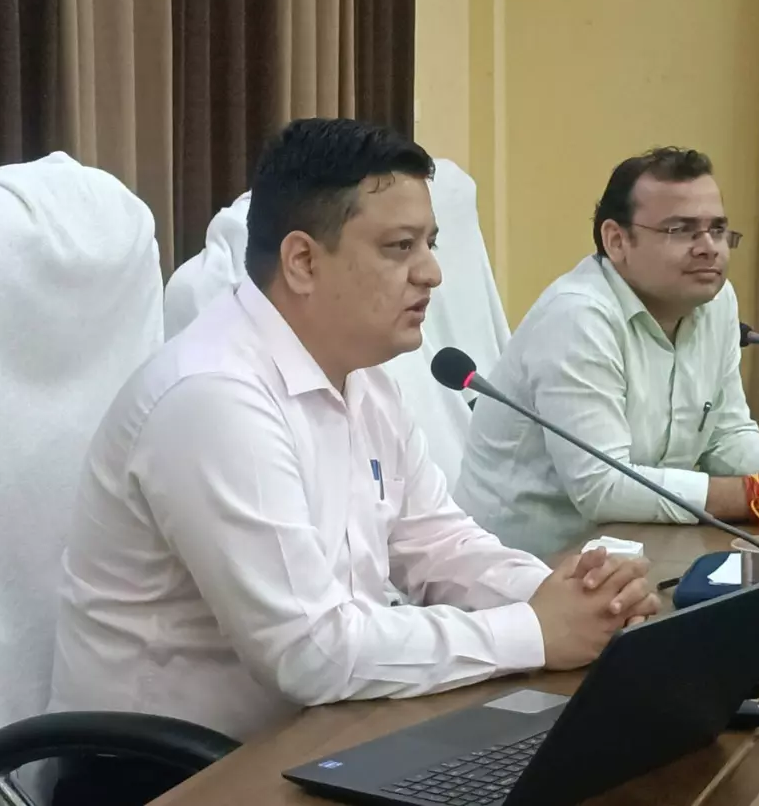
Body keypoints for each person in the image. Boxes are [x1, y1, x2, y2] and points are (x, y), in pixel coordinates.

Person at [47, 119, 658, 802]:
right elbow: (310, 652)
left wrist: (566, 599)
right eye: (400, 247)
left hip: (321, 737)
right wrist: (534, 632)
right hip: (172, 776)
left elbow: (437, 544)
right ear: (303, 262)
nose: (431, 272)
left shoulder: (363, 378)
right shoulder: (213, 397)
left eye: (430, 243)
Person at [454, 147, 759, 558]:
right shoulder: (577, 317)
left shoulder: (715, 301)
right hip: (523, 570)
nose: (708, 246)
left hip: (639, 550)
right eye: (681, 230)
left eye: (718, 229)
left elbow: (725, 435)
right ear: (617, 241)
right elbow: (603, 487)